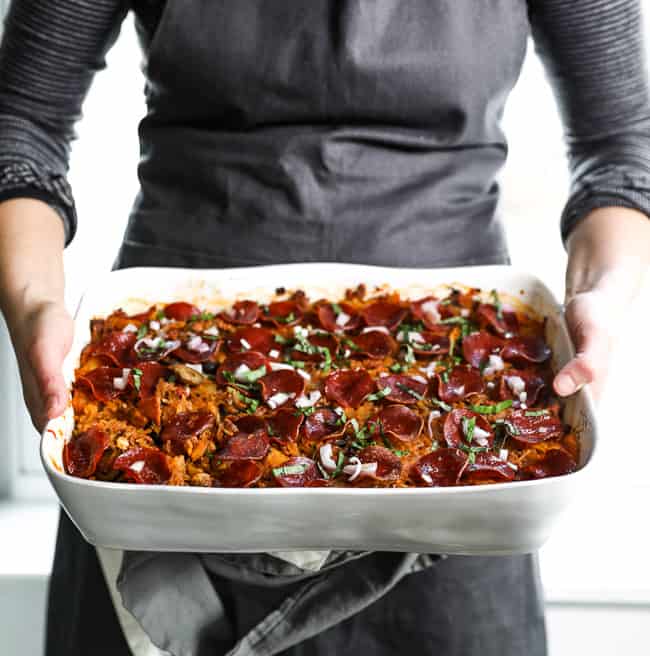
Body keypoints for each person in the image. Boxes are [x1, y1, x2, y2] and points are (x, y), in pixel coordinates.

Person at [0, 1, 649, 654]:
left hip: (468, 440)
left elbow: (622, 142)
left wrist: (603, 294)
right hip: (156, 408)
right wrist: (33, 306)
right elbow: (21, 122)